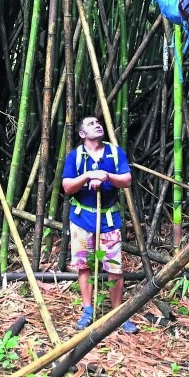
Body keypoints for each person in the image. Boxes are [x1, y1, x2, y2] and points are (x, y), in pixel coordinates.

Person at [62, 116, 138, 334]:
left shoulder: (114, 153)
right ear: (82, 134)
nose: (97, 124)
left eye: (98, 122)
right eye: (90, 124)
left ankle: (117, 314)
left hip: (109, 219)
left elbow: (126, 180)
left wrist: (106, 177)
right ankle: (87, 309)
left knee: (115, 268)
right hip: (81, 218)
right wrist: (87, 176)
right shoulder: (75, 156)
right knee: (83, 265)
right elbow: (67, 186)